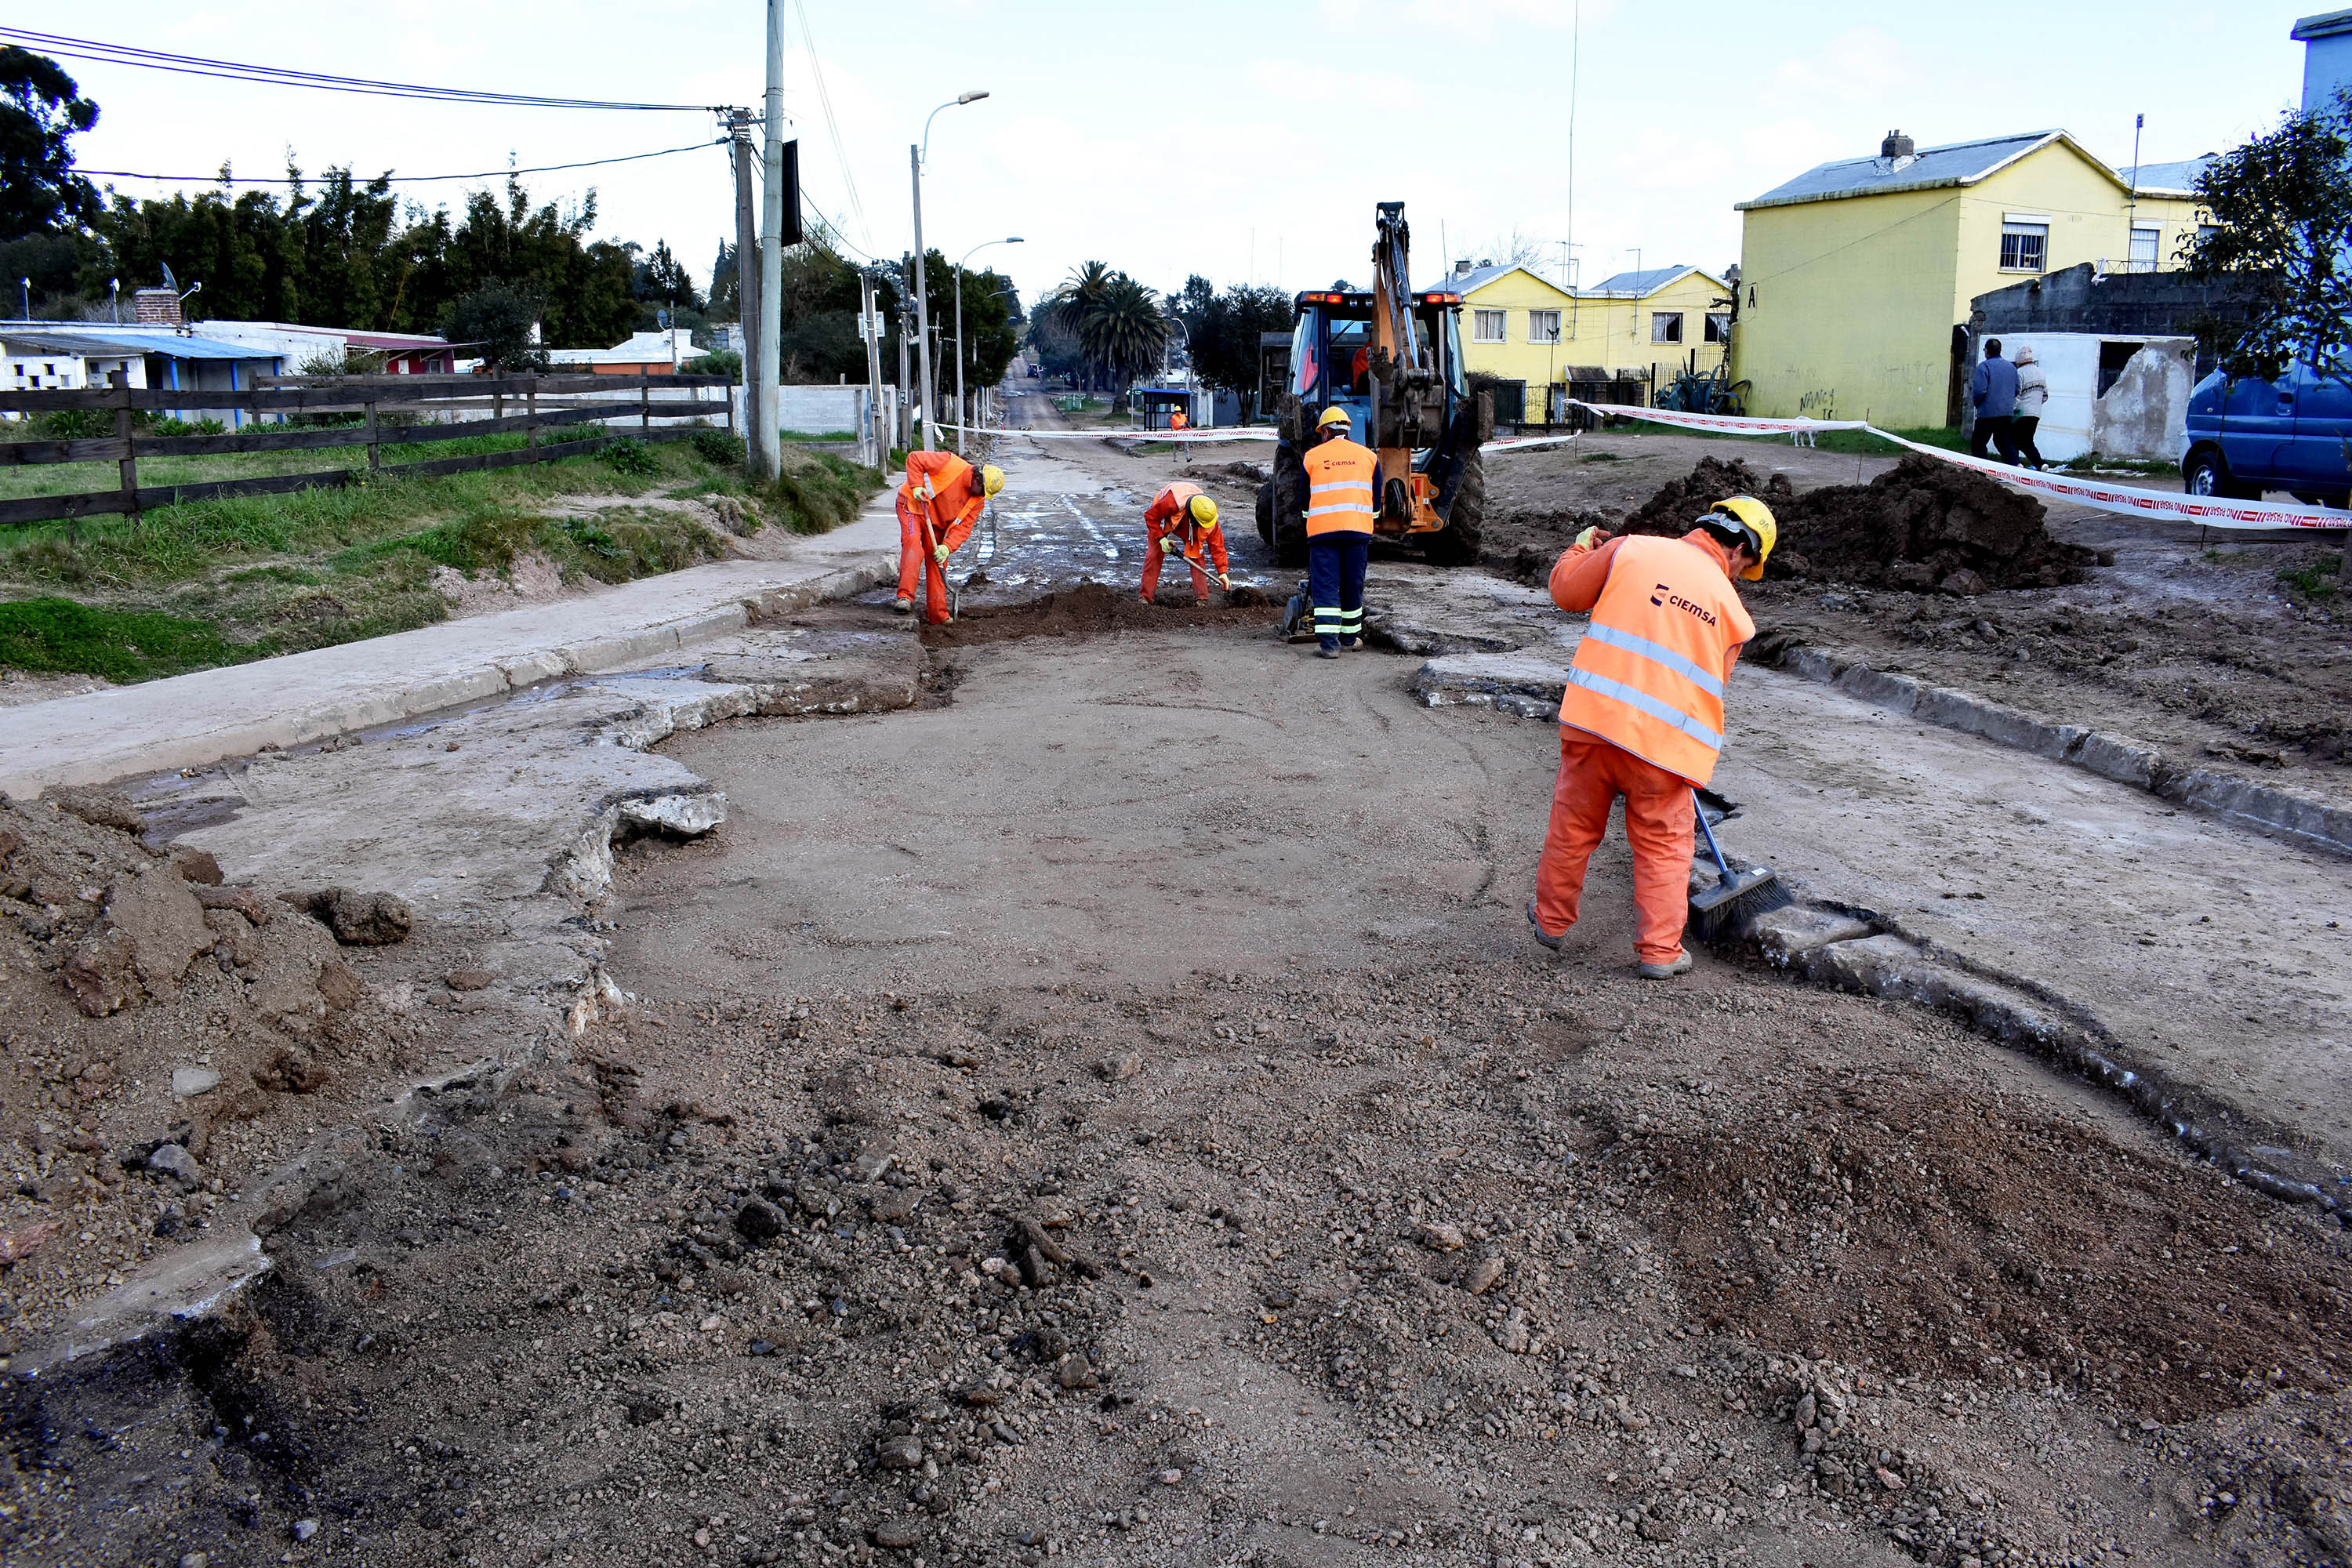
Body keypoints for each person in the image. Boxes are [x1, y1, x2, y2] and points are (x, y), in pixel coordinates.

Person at [1528, 496, 1773, 978]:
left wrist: (1579, 550)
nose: (1743, 573)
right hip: (1665, 751)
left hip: (1594, 725)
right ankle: (1660, 953)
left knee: (1574, 826)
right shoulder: (1735, 616)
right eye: (1749, 564)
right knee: (1663, 844)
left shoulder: (1630, 550)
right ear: (1741, 547)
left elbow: (1567, 592)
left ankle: (1551, 924)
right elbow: (1706, 688)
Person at [1300, 405, 1377, 659]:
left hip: (1323, 534)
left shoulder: (1312, 457)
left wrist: (1308, 523)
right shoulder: (1368, 456)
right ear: (1347, 429)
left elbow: (1303, 498)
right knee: (1353, 585)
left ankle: (1330, 646)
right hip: (1357, 532)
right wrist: (1368, 520)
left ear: (1324, 432)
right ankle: (1349, 639)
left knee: (1326, 586)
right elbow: (1376, 498)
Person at [895, 450, 1004, 624]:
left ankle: (938, 615)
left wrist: (947, 547)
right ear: (978, 478)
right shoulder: (950, 463)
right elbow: (915, 458)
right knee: (914, 545)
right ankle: (905, 598)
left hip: (937, 524)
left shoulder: (978, 500)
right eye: (983, 490)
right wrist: (916, 485)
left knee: (938, 563)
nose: (982, 495)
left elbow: (964, 528)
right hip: (914, 506)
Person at [1139, 481, 1229, 605]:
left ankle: (1201, 599)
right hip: (1167, 515)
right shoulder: (1171, 503)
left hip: (1189, 519)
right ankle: (1145, 597)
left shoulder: (1209, 518)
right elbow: (1150, 517)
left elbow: (1218, 547)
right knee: (1154, 553)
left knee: (1197, 554)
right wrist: (1162, 539)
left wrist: (1223, 572)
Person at [1970, 339, 2020, 463]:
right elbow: (2017, 389)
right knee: (2003, 442)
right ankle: (2016, 466)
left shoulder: (1984, 367)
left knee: (1978, 444)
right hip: (2006, 412)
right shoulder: (2011, 367)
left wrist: (1977, 404)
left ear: (1987, 351)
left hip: (1987, 412)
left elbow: (1979, 390)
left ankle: (1981, 473)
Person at [2011, 345, 2049, 470]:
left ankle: (2018, 466)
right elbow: (2045, 396)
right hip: (2036, 413)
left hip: (2021, 413)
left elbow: (2016, 394)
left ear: (2019, 361)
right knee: (2027, 440)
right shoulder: (2041, 372)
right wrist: (2036, 404)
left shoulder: (2019, 373)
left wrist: (2012, 410)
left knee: (2014, 440)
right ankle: (2038, 464)